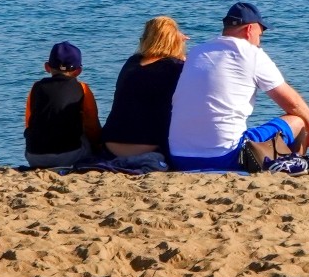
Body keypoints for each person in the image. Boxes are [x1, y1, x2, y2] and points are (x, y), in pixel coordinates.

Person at [168, 2, 309, 172]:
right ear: (249, 30)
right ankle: (292, 164)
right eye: (260, 35)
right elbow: (292, 104)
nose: (259, 41)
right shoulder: (250, 54)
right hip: (225, 157)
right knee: (299, 120)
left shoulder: (197, 52)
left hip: (179, 158)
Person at [101, 16, 190, 170]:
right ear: (174, 40)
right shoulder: (176, 68)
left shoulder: (131, 62)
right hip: (148, 147)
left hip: (110, 144)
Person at [24, 41, 102, 169]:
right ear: (78, 71)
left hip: (35, 156)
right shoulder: (82, 88)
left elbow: (28, 122)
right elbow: (91, 124)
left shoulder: (36, 88)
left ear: (47, 67)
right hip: (70, 156)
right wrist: (98, 147)